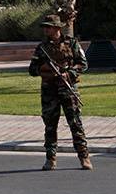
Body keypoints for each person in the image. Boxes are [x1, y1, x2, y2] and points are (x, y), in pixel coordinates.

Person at [28, 14, 92, 171]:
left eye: (48, 27)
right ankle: (50, 159)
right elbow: (32, 69)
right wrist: (43, 69)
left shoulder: (72, 43)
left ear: (57, 28)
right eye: (44, 27)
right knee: (50, 125)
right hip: (49, 90)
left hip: (67, 89)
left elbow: (83, 64)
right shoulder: (42, 48)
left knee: (75, 124)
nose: (45, 30)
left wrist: (69, 73)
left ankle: (84, 156)